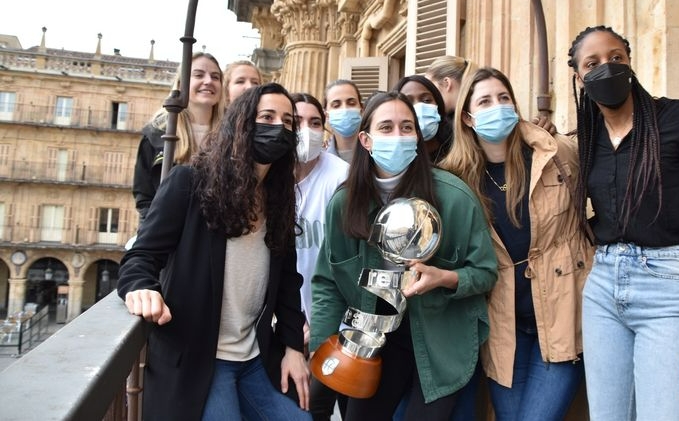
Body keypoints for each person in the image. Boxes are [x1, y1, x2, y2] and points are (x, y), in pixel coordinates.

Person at [117, 83, 311, 421]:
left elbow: (288, 283)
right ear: (242, 124)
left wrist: (293, 347)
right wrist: (140, 288)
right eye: (267, 117)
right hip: (198, 360)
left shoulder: (279, 201)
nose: (278, 127)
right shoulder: (188, 183)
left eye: (288, 121)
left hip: (254, 357)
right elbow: (141, 256)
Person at [567, 25, 679, 420]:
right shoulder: (588, 140)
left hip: (670, 290)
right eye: (593, 63)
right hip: (604, 287)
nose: (607, 68)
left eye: (616, 58)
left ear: (629, 60)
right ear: (578, 77)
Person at [310, 91, 498, 421]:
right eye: (386, 128)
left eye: (406, 127)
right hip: (377, 338)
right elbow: (327, 284)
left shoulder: (454, 197)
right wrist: (321, 355)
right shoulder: (344, 204)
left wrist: (446, 277)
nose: (398, 136)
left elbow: (484, 272)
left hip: (443, 338)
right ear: (366, 139)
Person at [439, 67, 592, 421]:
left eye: (504, 98)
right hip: (504, 331)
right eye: (486, 101)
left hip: (561, 320)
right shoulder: (454, 180)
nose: (498, 107)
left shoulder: (556, 156)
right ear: (467, 116)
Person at [290, 92, 351, 421]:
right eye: (298, 122)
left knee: (320, 406)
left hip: (333, 326)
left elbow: (349, 258)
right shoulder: (267, 179)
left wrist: (320, 324)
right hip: (282, 324)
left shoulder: (341, 176)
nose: (308, 130)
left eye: (315, 122)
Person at [132, 52, 223, 221]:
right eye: (198, 75)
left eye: (215, 77)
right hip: (167, 232)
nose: (208, 81)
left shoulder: (231, 135)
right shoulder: (156, 134)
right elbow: (144, 195)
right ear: (181, 84)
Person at [392, 75, 453, 164]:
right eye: (408, 102)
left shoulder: (458, 146)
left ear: (438, 106)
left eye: (427, 100)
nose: (419, 107)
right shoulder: (392, 157)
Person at [323, 79, 364, 163]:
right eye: (336, 105)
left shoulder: (378, 154)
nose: (345, 109)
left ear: (361, 110)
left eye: (351, 103)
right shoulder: (319, 159)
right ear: (326, 115)